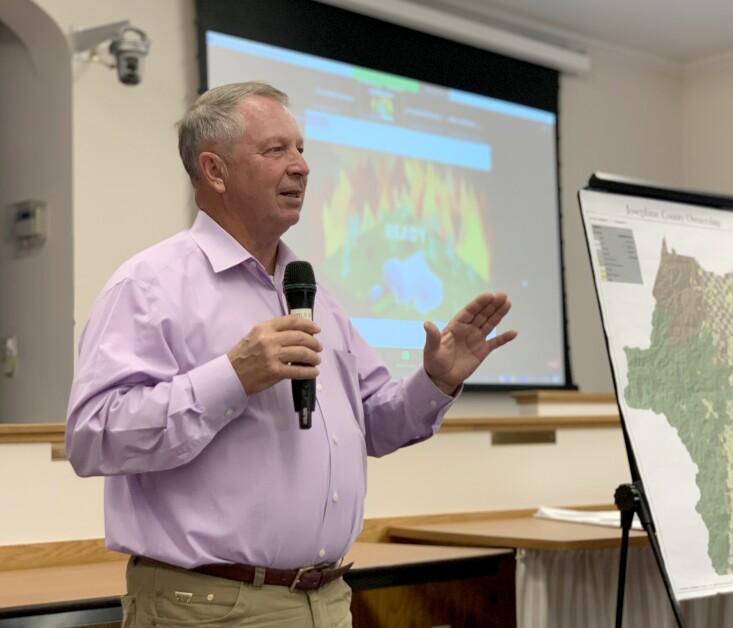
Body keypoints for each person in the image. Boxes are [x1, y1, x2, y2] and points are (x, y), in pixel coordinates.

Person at [65, 80, 517, 627]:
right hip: (210, 609)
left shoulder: (314, 293)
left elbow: (375, 424)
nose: (301, 166)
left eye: (301, 148)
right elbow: (93, 438)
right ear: (214, 171)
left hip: (326, 600)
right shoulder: (149, 285)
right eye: (276, 150)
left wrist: (436, 382)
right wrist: (231, 377)